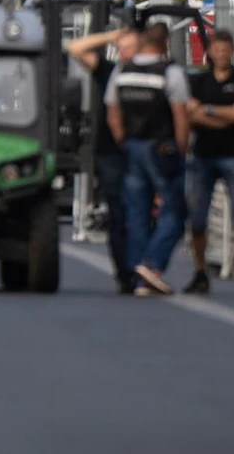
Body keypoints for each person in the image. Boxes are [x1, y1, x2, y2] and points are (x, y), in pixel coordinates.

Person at [105, 20, 192, 295]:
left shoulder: (122, 70)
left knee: (137, 211)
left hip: (132, 146)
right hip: (161, 147)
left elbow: (113, 110)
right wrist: (180, 147)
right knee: (175, 210)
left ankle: (138, 275)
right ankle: (151, 264)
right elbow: (181, 115)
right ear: (165, 43)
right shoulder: (171, 72)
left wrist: (122, 139)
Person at [185, 30, 234, 295]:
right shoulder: (198, 82)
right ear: (209, 52)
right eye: (216, 50)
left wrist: (207, 110)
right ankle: (200, 271)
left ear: (233, 51)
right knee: (197, 216)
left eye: (225, 50)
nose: (221, 55)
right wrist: (223, 115)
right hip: (203, 154)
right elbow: (190, 115)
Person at [69, 25, 138, 294]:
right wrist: (111, 35)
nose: (125, 52)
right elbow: (76, 48)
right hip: (111, 153)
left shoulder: (155, 72)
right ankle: (124, 273)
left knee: (141, 213)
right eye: (122, 48)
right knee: (118, 213)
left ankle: (143, 266)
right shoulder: (110, 71)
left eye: (130, 47)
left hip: (142, 151)